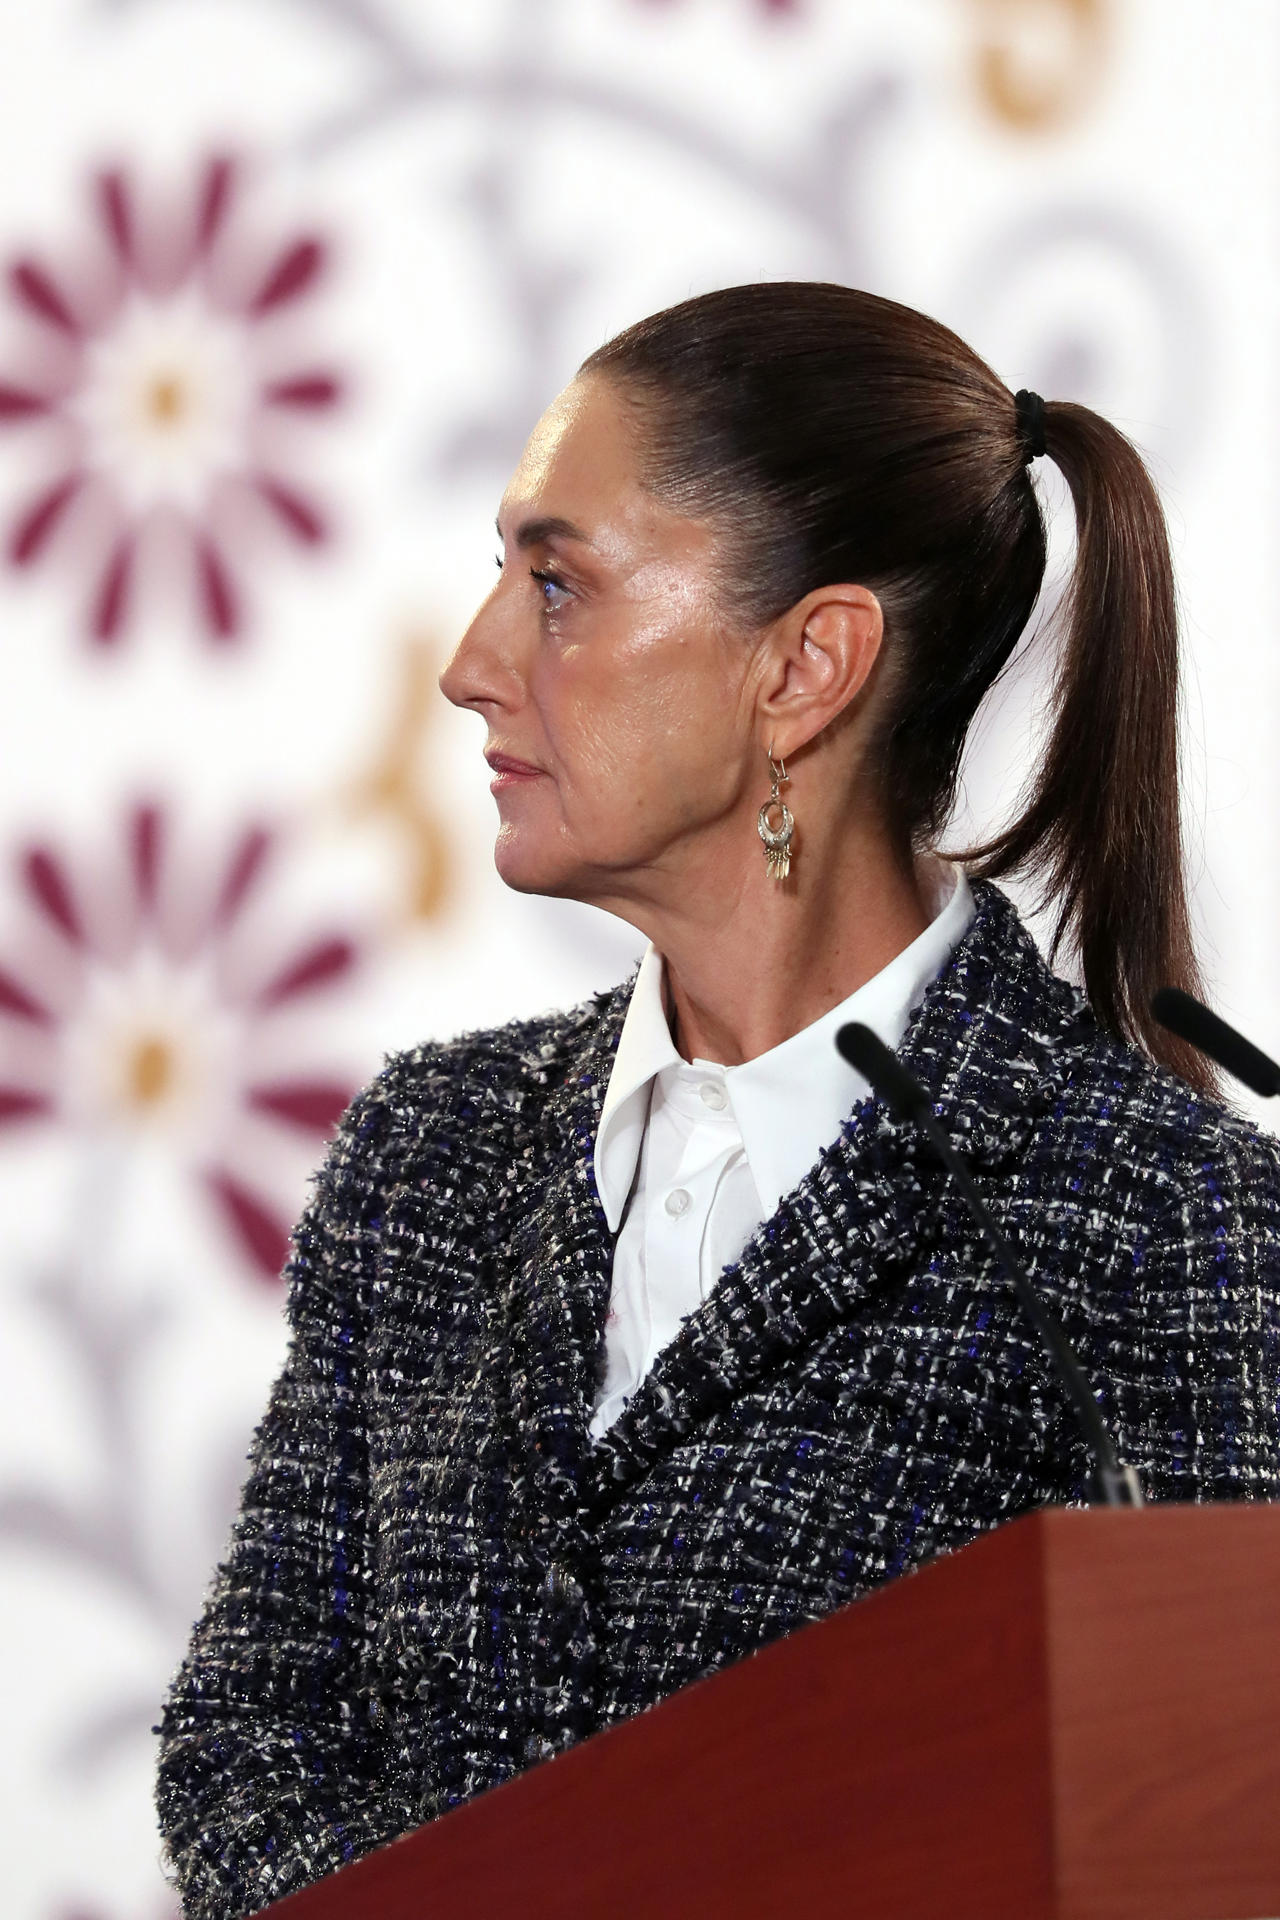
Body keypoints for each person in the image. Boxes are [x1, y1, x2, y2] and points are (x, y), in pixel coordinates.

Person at [155, 283, 1280, 1918]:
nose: (471, 665)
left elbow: (1207, 1847)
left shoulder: (1172, 1230)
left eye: (557, 583)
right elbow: (249, 1739)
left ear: (804, 668)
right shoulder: (425, 1150)